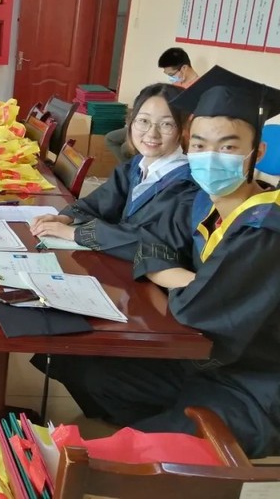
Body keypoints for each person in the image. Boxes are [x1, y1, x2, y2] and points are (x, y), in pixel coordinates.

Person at [34, 66, 280, 458]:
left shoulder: (264, 228)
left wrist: (181, 278)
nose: (210, 158)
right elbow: (153, 249)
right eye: (200, 145)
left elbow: (196, 307)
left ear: (257, 153)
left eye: (228, 147)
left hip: (252, 385)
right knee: (85, 368)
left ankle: (162, 438)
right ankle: (156, 425)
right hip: (200, 360)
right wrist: (184, 277)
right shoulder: (207, 206)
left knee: (117, 457)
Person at [29, 83, 199, 261]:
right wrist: (65, 218)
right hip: (120, 263)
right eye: (144, 121)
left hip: (152, 274)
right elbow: (100, 201)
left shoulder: (186, 184)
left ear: (183, 130)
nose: (152, 133)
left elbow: (151, 242)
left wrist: (74, 233)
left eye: (166, 124)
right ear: (131, 122)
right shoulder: (137, 165)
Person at [105, 48, 200, 163]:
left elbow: (187, 122)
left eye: (172, 74)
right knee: (112, 138)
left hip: (169, 129)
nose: (171, 78)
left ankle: (134, 168)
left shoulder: (198, 90)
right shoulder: (174, 85)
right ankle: (130, 169)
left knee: (126, 148)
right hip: (152, 121)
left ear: (184, 68)